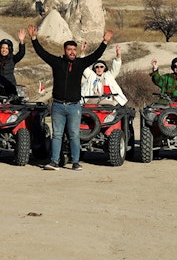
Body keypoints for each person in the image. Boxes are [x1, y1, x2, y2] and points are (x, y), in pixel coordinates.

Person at [27, 25, 113, 171]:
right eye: (69, 50)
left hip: (74, 106)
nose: (72, 52)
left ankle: (75, 162)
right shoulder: (56, 63)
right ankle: (54, 162)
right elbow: (43, 53)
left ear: (76, 51)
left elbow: (95, 56)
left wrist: (104, 42)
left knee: (74, 135)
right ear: (64, 51)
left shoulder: (80, 63)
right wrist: (34, 39)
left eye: (74, 50)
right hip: (58, 106)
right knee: (57, 135)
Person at [0, 29, 26, 97]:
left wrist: (21, 41)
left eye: (6, 48)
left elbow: (21, 53)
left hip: (10, 87)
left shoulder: (12, 58)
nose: (4, 50)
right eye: (2, 48)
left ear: (10, 49)